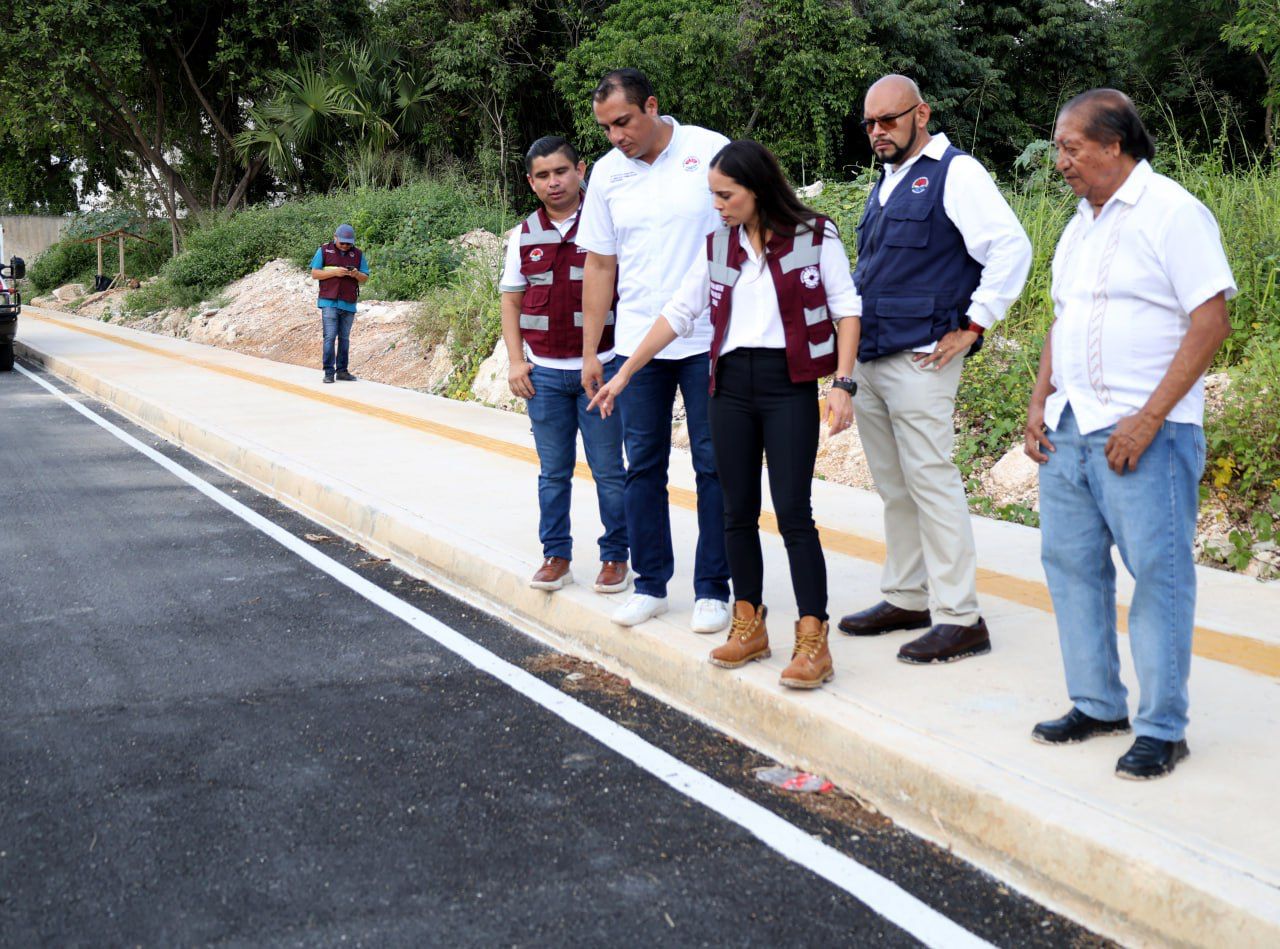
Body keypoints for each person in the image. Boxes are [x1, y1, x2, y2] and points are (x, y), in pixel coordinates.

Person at [589, 140, 859, 689]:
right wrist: (626, 371)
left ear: (757, 190)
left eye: (725, 195)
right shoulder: (718, 244)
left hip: (788, 386)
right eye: (712, 195)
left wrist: (842, 383)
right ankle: (749, 624)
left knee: (793, 513)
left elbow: (846, 309)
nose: (716, 206)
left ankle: (813, 639)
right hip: (729, 388)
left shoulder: (814, 234)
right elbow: (679, 312)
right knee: (737, 512)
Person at [1024, 90, 1234, 780]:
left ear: (1114, 146)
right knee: (1071, 567)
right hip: (1071, 427)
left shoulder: (1172, 212)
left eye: (1071, 147)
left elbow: (1211, 322)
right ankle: (1096, 703)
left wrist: (1147, 419)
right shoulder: (1079, 226)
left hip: (1148, 434)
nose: (1060, 162)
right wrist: (1039, 400)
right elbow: (1062, 319)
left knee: (1158, 578)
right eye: (1059, 149)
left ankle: (1162, 728)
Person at [836, 74, 1032, 664]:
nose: (877, 132)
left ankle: (960, 618)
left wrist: (974, 326)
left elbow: (1010, 248)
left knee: (932, 482)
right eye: (870, 123)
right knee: (895, 487)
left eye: (889, 120)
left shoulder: (956, 173)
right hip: (873, 356)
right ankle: (907, 597)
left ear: (921, 114)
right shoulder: (887, 180)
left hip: (922, 357)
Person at [577, 68, 732, 633]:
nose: (616, 136)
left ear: (651, 106)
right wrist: (592, 351)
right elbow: (600, 264)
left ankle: (713, 588)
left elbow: (739, 233)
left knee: (714, 465)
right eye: (606, 128)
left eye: (623, 121)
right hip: (637, 346)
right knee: (642, 465)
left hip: (708, 339)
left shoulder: (708, 150)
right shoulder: (606, 174)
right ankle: (650, 585)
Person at [499, 135, 630, 596]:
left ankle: (616, 557)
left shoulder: (607, 225)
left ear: (580, 170)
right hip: (545, 377)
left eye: (561, 171)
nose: (553, 182)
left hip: (603, 372)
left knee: (609, 471)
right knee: (553, 473)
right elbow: (511, 300)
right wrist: (516, 361)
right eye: (543, 176)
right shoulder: (523, 235)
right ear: (531, 183)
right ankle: (556, 556)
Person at [310, 224, 369, 384]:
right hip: (328, 301)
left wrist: (356, 274)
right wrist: (335, 272)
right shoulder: (324, 250)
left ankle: (342, 371)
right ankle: (329, 372)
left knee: (344, 338)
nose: (345, 246)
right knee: (329, 337)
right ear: (335, 237)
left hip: (348, 302)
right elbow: (315, 273)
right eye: (342, 242)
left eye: (348, 243)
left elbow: (365, 278)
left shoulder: (358, 254)